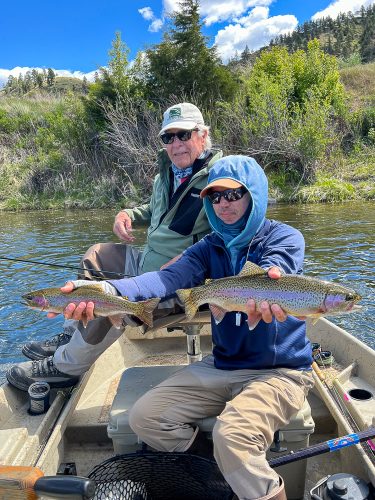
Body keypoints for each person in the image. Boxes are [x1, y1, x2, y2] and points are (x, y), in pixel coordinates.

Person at [26, 155, 314, 500]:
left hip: (280, 371)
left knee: (233, 435)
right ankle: (215, 478)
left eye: (233, 195)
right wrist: (107, 291)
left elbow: (277, 268)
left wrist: (268, 286)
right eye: (215, 197)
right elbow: (163, 279)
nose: (223, 204)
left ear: (254, 195)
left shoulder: (285, 237)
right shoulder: (207, 247)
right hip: (223, 365)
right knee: (145, 417)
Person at [7, 102, 223, 391]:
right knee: (96, 255)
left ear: (203, 134)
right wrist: (128, 215)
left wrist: (189, 260)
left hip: (178, 280)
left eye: (183, 135)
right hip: (146, 261)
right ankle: (73, 335)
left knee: (102, 298)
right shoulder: (167, 175)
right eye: (168, 137)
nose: (176, 144)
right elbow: (155, 209)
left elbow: (231, 231)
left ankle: (65, 368)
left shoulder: (220, 179)